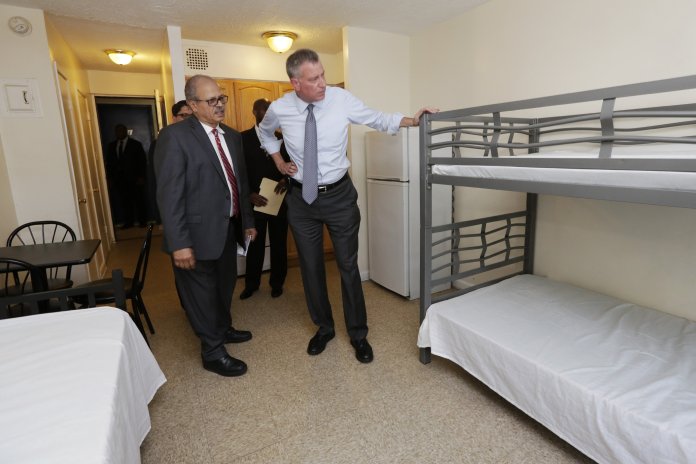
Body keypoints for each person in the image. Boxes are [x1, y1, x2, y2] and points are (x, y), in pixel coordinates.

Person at [258, 49, 438, 364]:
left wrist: (412, 119)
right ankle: (324, 328)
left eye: (323, 75)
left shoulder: (340, 99)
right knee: (311, 267)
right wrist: (278, 161)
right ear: (295, 83)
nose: (323, 83)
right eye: (314, 79)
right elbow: (264, 132)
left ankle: (358, 334)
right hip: (301, 199)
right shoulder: (279, 108)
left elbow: (377, 117)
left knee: (348, 266)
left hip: (339, 197)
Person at [154, 75, 257, 377]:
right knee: (201, 296)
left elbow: (240, 184)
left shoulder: (232, 136)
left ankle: (223, 328)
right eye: (211, 100)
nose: (219, 105)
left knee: (224, 287)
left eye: (221, 98)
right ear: (192, 105)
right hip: (193, 235)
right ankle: (213, 352)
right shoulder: (175, 137)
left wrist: (247, 221)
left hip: (227, 230)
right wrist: (179, 243)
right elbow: (169, 194)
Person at [240, 98, 290, 300]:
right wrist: (248, 194)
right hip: (254, 200)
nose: (268, 113)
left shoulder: (283, 138)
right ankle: (251, 284)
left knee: (279, 244)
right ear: (254, 111)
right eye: (264, 109)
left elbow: (294, 164)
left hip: (278, 201)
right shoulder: (242, 138)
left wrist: (286, 180)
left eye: (271, 110)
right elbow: (238, 171)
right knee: (254, 245)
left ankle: (277, 283)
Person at [147, 101, 193, 224]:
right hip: (178, 211)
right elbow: (157, 181)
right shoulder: (163, 141)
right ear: (174, 118)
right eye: (184, 115)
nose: (188, 119)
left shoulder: (201, 140)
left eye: (192, 116)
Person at [105, 123, 148, 228]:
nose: (119, 133)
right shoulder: (112, 146)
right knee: (125, 201)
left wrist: (141, 176)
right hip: (120, 179)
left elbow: (142, 161)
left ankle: (142, 221)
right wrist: (110, 178)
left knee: (138, 200)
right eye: (117, 131)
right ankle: (129, 222)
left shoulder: (135, 144)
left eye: (121, 130)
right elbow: (109, 163)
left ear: (125, 131)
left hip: (135, 178)